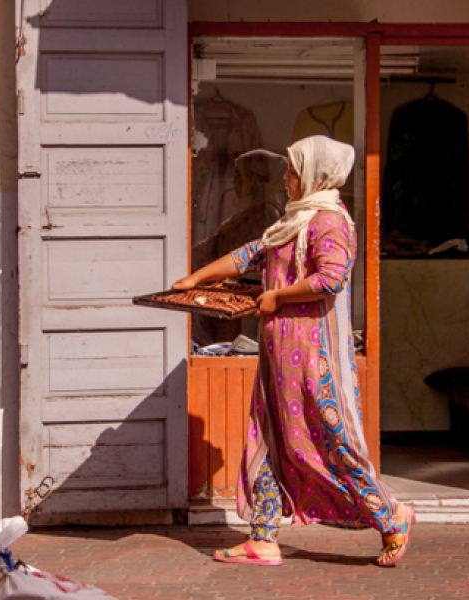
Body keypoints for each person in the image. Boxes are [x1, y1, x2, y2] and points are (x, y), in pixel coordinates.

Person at [174, 135, 415, 567]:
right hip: (279, 357)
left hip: (315, 362)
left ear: (316, 174)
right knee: (265, 439)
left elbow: (331, 278)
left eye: (292, 171)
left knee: (332, 442)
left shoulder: (330, 221)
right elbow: (252, 254)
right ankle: (264, 538)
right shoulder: (292, 221)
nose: (285, 179)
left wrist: (278, 297)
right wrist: (197, 280)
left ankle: (392, 516)